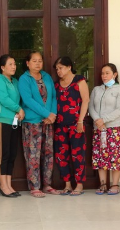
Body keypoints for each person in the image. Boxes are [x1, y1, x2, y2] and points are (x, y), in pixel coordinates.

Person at [18, 51, 59, 198]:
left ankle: (47, 184)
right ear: (27, 63)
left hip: (48, 122)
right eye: (34, 61)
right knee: (33, 154)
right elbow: (28, 100)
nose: (37, 63)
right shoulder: (24, 79)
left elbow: (53, 96)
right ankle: (35, 186)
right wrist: (46, 113)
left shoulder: (46, 76)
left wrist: (52, 115)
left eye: (40, 61)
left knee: (48, 154)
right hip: (32, 122)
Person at [53, 56, 89, 196]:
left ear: (69, 67)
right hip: (60, 125)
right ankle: (67, 184)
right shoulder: (57, 85)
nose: (59, 71)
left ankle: (79, 185)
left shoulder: (79, 81)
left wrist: (80, 121)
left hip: (76, 125)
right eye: (57, 69)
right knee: (61, 155)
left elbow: (85, 100)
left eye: (61, 68)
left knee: (77, 154)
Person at [89, 63, 120, 195]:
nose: (104, 76)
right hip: (98, 129)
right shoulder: (96, 90)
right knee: (100, 156)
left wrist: (103, 120)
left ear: (114, 75)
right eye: (102, 73)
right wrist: (97, 121)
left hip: (113, 128)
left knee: (114, 156)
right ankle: (103, 184)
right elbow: (91, 107)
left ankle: (115, 184)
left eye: (107, 73)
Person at [0, 54, 24, 198]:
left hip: (14, 121)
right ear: (2, 67)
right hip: (1, 121)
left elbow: (19, 99)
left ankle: (9, 185)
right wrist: (18, 109)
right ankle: (3, 186)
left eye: (15, 64)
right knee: (3, 154)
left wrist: (19, 111)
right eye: (10, 64)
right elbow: (4, 99)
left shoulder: (15, 81)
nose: (13, 66)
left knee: (12, 154)